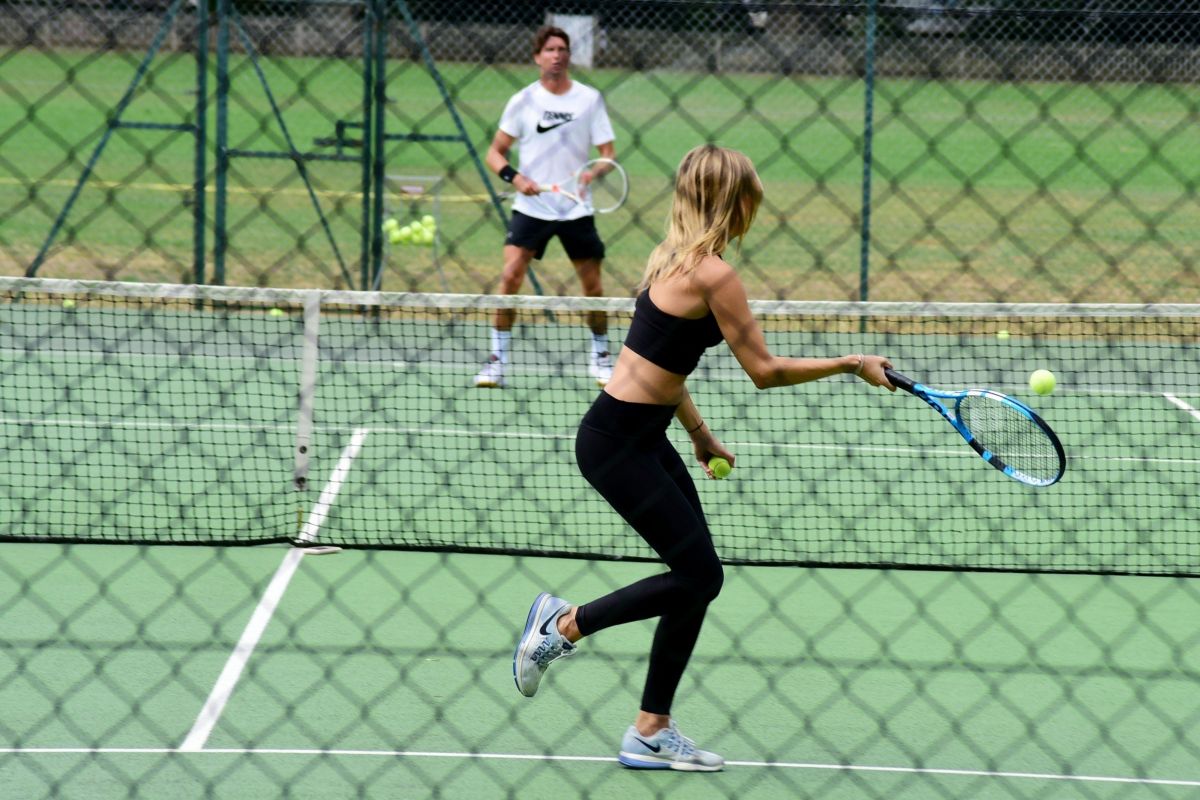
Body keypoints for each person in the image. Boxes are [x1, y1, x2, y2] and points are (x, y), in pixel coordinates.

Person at [511, 144, 896, 771]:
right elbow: (765, 372)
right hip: (616, 444)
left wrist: (697, 430)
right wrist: (852, 363)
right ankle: (561, 627)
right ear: (733, 201)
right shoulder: (713, 274)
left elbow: (661, 364)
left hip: (642, 433)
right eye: (751, 198)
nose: (756, 209)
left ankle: (650, 730)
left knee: (695, 579)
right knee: (699, 576)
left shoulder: (671, 259)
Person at [474, 25, 617, 389]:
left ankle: (601, 357)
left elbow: (607, 156)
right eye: (551, 49)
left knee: (594, 288)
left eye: (563, 49)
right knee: (509, 278)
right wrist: (514, 178)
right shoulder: (523, 101)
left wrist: (591, 174)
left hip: (575, 209)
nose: (558, 55)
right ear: (538, 57)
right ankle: (496, 361)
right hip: (531, 208)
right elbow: (494, 153)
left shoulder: (589, 99)